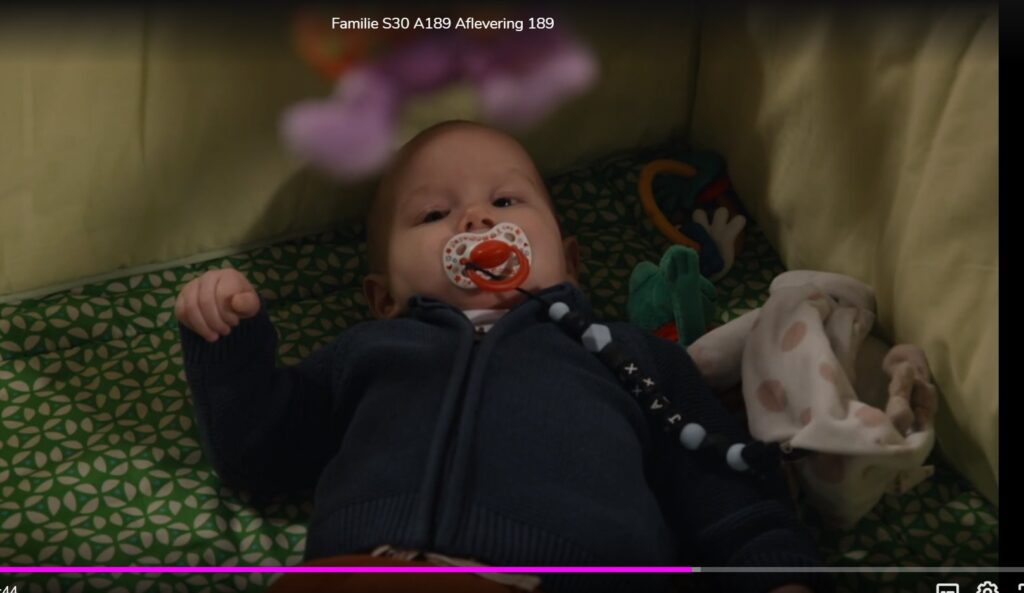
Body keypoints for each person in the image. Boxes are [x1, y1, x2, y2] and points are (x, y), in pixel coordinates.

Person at [175, 120, 830, 593]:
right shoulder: (368, 351)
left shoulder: (626, 355)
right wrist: (228, 342)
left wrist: (778, 573)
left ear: (570, 263)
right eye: (433, 213)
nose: (476, 220)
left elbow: (725, 492)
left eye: (506, 201)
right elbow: (258, 451)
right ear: (382, 297)